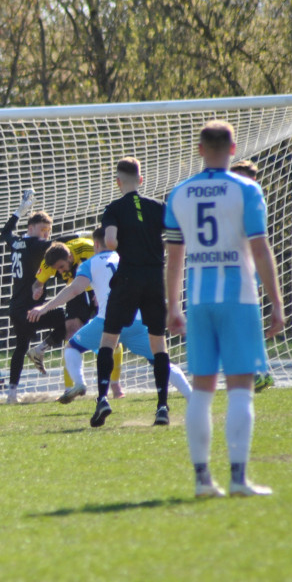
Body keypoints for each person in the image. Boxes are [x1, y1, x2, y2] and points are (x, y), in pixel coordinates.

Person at [166, 120, 285, 498]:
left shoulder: (180, 193)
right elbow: (260, 249)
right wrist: (276, 302)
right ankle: (238, 478)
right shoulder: (246, 189)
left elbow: (174, 258)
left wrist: (173, 306)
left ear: (200, 150)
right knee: (240, 389)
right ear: (234, 149)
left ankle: (202, 480)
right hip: (240, 298)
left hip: (199, 301)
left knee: (202, 390)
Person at [29, 228, 192, 405]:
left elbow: (74, 289)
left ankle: (79, 384)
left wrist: (44, 308)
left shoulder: (89, 264)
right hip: (136, 321)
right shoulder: (128, 259)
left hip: (108, 323)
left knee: (72, 348)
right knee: (161, 361)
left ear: (96, 244)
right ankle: (192, 396)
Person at [94, 157, 171, 427]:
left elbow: (111, 241)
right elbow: (176, 235)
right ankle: (162, 406)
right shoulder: (158, 207)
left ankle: (102, 398)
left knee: (109, 338)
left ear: (118, 182)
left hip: (127, 278)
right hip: (155, 279)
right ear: (141, 180)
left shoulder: (114, 208)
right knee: (158, 342)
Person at [28, 237, 126, 399]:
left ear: (70, 257)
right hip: (75, 290)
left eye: (61, 267)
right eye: (57, 270)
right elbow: (37, 283)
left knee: (112, 334)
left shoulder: (88, 248)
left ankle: (115, 384)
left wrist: (104, 290)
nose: (60, 272)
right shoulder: (48, 263)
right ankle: (70, 388)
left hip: (98, 289)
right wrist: (36, 290)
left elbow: (112, 267)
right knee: (71, 332)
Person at [0, 191, 64, 404]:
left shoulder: (17, 242)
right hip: (32, 309)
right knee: (67, 318)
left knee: (20, 347)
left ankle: (12, 393)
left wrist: (19, 210)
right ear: (31, 228)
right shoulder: (35, 245)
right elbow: (59, 245)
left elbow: (5, 232)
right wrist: (85, 236)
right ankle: (40, 350)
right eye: (42, 230)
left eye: (48, 231)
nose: (45, 234)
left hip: (16, 308)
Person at [230, 159, 273, 393]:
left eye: (241, 177)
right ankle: (262, 371)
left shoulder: (252, 201)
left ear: (253, 179)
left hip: (246, 267)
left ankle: (256, 372)